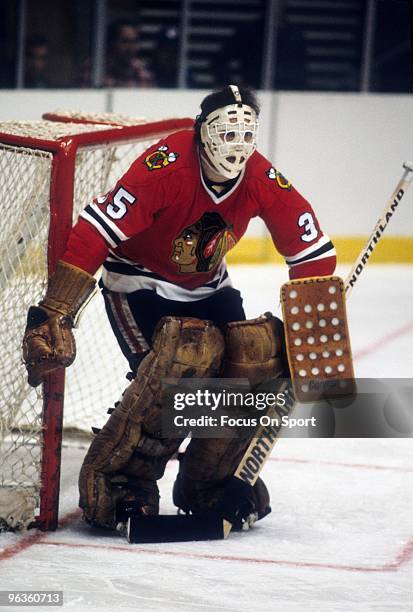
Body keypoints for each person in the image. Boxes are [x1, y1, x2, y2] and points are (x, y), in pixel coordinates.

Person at [22, 85, 336, 532]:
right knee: (181, 369)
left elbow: (312, 252)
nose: (237, 147)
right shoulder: (164, 166)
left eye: (246, 137)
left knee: (256, 358)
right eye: (227, 135)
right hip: (140, 283)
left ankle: (208, 483)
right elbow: (98, 228)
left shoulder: (261, 177)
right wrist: (55, 309)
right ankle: (122, 483)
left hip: (209, 286)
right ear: (203, 131)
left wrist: (315, 333)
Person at [80, 18, 154, 88]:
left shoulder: (142, 71)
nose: (131, 48)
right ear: (111, 43)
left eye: (134, 42)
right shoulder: (94, 68)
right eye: (125, 42)